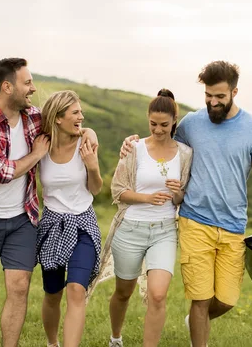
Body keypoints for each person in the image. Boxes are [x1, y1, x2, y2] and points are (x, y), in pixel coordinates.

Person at [120, 61, 252, 347]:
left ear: (234, 91)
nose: (213, 102)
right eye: (208, 95)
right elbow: (161, 139)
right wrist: (131, 143)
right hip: (195, 221)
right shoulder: (191, 124)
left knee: (227, 300)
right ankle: (199, 330)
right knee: (201, 299)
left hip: (233, 227)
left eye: (220, 96)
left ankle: (196, 320)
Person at [0, 59, 96, 347]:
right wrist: (37, 155)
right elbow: (2, 172)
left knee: (19, 286)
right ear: (7, 86)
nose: (33, 88)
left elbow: (67, 122)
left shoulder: (34, 118)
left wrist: (87, 131)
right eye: (27, 83)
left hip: (22, 219)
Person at [88, 89, 193, 347]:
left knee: (158, 295)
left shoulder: (185, 153)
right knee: (124, 291)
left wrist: (178, 192)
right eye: (153, 124)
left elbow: (180, 199)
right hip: (131, 229)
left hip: (164, 230)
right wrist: (148, 198)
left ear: (174, 121)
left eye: (164, 125)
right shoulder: (134, 148)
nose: (158, 130)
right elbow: (117, 191)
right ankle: (115, 338)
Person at [36, 90, 103, 347]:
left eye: (81, 112)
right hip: (53, 224)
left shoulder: (85, 144)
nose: (81, 117)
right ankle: (52, 343)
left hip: (83, 224)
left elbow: (95, 189)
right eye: (75, 113)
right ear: (58, 118)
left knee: (77, 290)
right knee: (53, 293)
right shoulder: (41, 147)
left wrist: (93, 165)